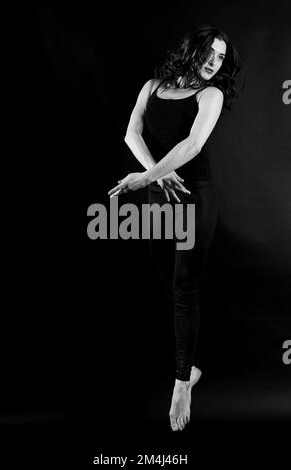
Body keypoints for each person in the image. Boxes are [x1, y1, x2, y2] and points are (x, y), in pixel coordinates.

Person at [108, 24, 243, 431]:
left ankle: (182, 382)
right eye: (210, 53)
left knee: (185, 286)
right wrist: (155, 174)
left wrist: (145, 178)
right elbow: (131, 133)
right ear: (193, 50)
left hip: (195, 196)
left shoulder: (211, 94)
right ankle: (191, 367)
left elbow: (193, 145)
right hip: (159, 198)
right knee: (169, 284)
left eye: (221, 58)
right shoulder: (152, 87)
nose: (214, 63)